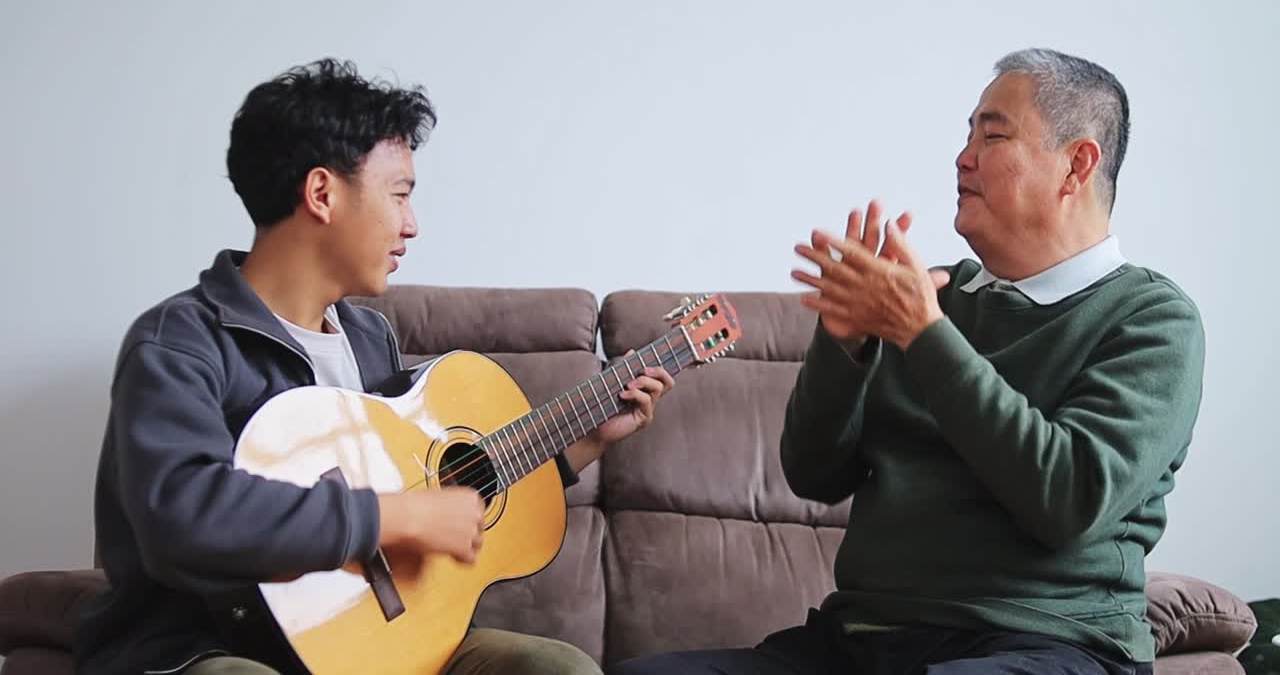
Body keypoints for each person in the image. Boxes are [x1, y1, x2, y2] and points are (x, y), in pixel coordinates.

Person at [608, 48, 1204, 675]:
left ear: (1076, 164)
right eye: (967, 135)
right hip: (861, 640)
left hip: (1048, 644)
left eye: (993, 135)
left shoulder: (1150, 319)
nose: (963, 157)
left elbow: (1070, 499)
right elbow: (813, 476)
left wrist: (924, 333)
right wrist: (842, 346)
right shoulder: (929, 296)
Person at [75, 59, 674, 675]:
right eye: (400, 194)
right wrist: (396, 517)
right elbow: (181, 516)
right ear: (322, 194)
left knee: (558, 669)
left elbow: (431, 486)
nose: (412, 225)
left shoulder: (368, 339)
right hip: (208, 647)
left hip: (373, 645)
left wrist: (581, 445)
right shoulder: (180, 341)